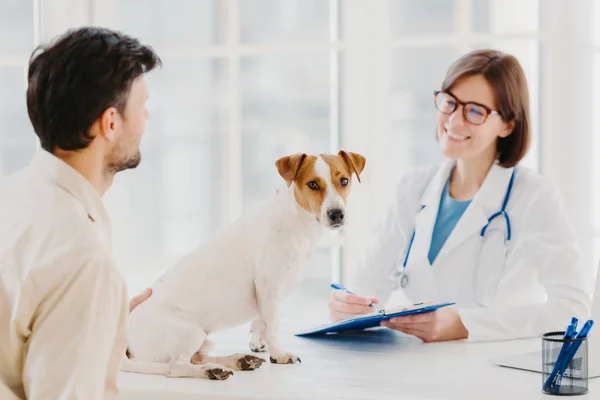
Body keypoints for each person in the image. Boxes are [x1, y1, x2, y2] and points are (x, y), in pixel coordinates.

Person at [329, 49, 595, 343]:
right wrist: (348, 308)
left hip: (493, 375)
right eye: (449, 103)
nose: (454, 121)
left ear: (508, 125)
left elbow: (574, 311)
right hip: (410, 372)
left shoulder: (534, 197)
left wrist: (467, 325)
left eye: (475, 111)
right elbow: (368, 289)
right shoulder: (413, 187)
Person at [0, 27, 160, 399]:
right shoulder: (84, 262)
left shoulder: (9, 196)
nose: (147, 118)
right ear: (110, 122)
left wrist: (99, 328)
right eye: (142, 106)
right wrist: (91, 304)